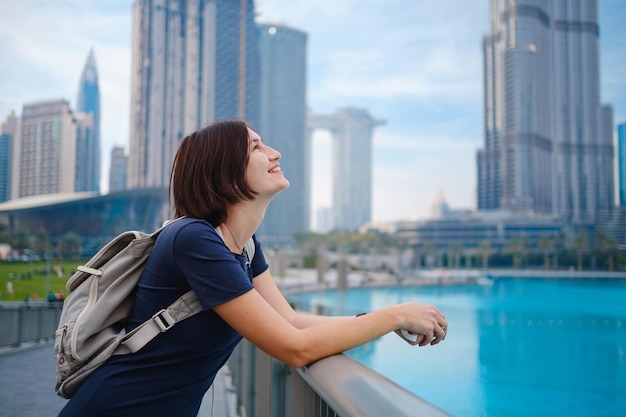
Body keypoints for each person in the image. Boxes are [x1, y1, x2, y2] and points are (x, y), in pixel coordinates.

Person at [58, 119, 448, 417]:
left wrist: (378, 320)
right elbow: (293, 349)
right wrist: (395, 313)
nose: (275, 153)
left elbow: (289, 321)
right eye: (257, 147)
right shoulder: (192, 238)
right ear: (224, 170)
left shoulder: (245, 247)